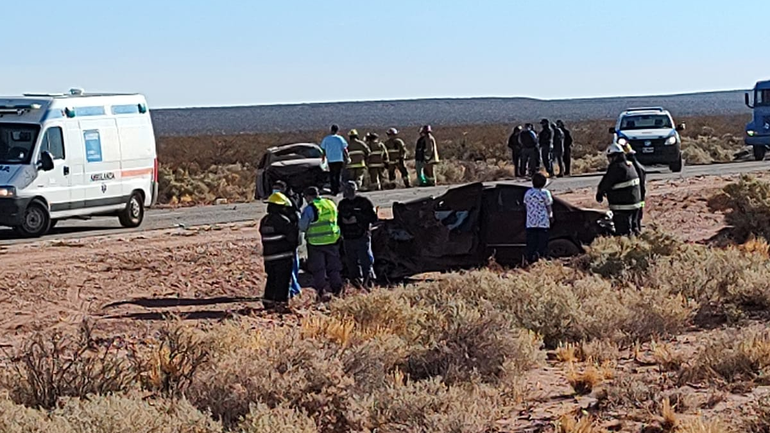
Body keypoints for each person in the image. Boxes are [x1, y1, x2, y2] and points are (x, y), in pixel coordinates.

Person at [299, 187, 344, 300]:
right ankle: (338, 290)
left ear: (308, 196)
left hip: (316, 243)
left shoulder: (310, 208)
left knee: (318, 269)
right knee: (334, 267)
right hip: (332, 240)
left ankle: (321, 292)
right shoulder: (330, 203)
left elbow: (302, 226)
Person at [259, 192, 300, 310]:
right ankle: (280, 303)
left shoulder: (265, 220)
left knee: (272, 278)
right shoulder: (283, 220)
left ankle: (268, 300)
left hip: (268, 256)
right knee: (283, 280)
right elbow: (293, 238)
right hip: (283, 256)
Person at [596, 143, 643, 236]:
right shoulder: (629, 165)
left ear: (614, 156)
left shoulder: (616, 167)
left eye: (609, 157)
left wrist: (599, 193)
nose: (609, 160)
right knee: (634, 228)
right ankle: (637, 243)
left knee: (623, 232)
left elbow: (606, 182)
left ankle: (626, 247)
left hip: (623, 206)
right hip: (635, 204)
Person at [338, 181, 378, 288]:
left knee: (366, 261)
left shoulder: (364, 202)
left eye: (351, 190)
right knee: (351, 263)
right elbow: (338, 221)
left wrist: (357, 219)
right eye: (347, 190)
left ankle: (369, 283)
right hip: (348, 237)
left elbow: (373, 218)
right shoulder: (343, 204)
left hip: (362, 236)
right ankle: (356, 284)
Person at [270, 180, 302, 298]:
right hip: (283, 243)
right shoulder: (279, 203)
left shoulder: (290, 204)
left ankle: (292, 289)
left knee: (291, 266)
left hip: (288, 243)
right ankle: (292, 289)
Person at [524, 172, 553, 263]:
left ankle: (530, 260)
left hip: (530, 223)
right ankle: (540, 260)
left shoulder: (528, 193)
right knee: (542, 244)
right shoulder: (545, 193)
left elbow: (525, 205)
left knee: (531, 244)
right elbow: (549, 206)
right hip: (543, 223)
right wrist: (551, 216)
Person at [623, 143, 647, 235]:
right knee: (637, 221)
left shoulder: (630, 168)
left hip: (633, 199)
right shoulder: (639, 167)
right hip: (639, 199)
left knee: (633, 223)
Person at [319, 125, 348, 195]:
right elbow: (345, 149)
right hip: (339, 159)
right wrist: (347, 156)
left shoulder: (326, 139)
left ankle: (333, 189)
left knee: (332, 175)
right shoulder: (340, 138)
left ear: (331, 130)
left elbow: (323, 149)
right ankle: (337, 188)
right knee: (338, 174)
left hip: (330, 159)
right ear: (337, 131)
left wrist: (323, 158)